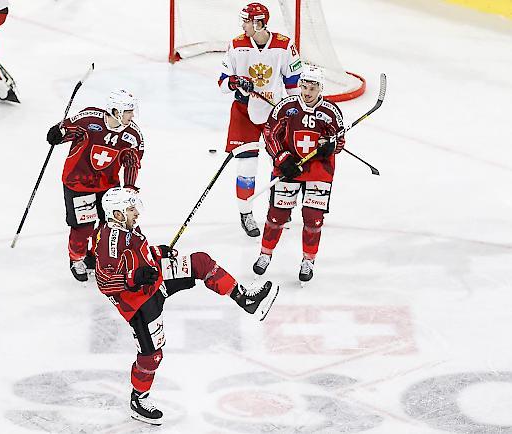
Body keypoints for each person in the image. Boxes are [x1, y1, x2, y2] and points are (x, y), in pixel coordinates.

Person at [94, 187, 279, 425]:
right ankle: (139, 399)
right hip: (139, 303)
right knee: (152, 356)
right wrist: (133, 278)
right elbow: (105, 282)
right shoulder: (109, 241)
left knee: (200, 262)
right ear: (116, 214)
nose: (136, 213)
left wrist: (157, 253)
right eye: (131, 210)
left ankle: (245, 298)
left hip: (156, 278)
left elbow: (139, 256)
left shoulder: (129, 228)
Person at [252, 64, 345, 283]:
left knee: (313, 219)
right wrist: (282, 158)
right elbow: (269, 134)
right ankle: (265, 254)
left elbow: (339, 140)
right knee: (277, 215)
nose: (307, 92)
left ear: (320, 88)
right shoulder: (286, 107)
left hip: (318, 172)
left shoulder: (331, 112)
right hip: (290, 168)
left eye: (313, 88)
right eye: (304, 86)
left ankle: (308, 261)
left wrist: (329, 147)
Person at [218, 2, 302, 237]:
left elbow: (293, 83)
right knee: (247, 166)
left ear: (259, 23)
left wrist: (296, 113)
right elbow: (223, 84)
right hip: (244, 112)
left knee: (283, 163)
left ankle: (281, 209)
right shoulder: (236, 44)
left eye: (246, 21)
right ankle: (246, 214)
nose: (242, 25)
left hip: (275, 113)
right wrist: (235, 82)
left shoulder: (284, 45)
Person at [46, 89, 144, 282]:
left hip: (108, 185)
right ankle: (77, 258)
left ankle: (95, 254)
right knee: (83, 227)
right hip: (78, 182)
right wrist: (58, 133)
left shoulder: (132, 135)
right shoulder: (89, 119)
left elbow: (132, 161)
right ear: (116, 111)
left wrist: (129, 187)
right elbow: (69, 128)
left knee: (108, 224)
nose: (132, 116)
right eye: (128, 111)